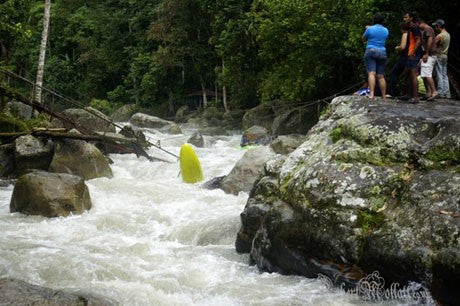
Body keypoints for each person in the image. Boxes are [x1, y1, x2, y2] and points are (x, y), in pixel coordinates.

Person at [362, 13, 389, 99]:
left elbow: (363, 38)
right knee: (380, 75)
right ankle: (384, 95)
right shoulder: (386, 30)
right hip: (382, 51)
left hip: (371, 50)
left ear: (373, 20)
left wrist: (368, 29)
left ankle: (371, 94)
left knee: (371, 73)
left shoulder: (370, 29)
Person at [403, 11, 423, 103]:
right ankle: (409, 95)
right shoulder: (410, 28)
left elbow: (418, 40)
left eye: (406, 17)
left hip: (414, 54)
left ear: (411, 18)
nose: (405, 19)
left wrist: (413, 52)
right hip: (410, 53)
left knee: (413, 74)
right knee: (408, 74)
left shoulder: (415, 27)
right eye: (404, 17)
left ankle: (415, 97)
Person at [388, 22, 410, 97]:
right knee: (407, 75)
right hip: (410, 56)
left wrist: (397, 47)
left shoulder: (405, 34)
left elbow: (403, 47)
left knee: (394, 73)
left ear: (402, 29)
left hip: (404, 56)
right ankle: (406, 93)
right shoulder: (411, 34)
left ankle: (391, 92)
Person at [419, 21, 438, 100]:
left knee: (427, 74)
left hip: (430, 55)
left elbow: (430, 40)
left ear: (421, 23)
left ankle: (434, 91)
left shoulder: (428, 29)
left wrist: (427, 53)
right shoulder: (425, 30)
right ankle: (429, 92)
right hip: (428, 55)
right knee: (424, 75)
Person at [433, 19, 451, 98]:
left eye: (436, 26)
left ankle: (440, 92)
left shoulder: (440, 35)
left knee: (439, 74)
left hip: (439, 55)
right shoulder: (448, 34)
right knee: (444, 74)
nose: (435, 28)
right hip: (445, 55)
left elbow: (433, 45)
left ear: (438, 26)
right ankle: (447, 93)